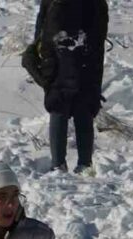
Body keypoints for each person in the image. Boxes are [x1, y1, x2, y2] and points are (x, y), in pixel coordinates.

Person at [34, 0, 109, 175]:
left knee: (61, 104)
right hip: (84, 55)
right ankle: (82, 164)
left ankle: (60, 164)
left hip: (59, 55)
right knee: (79, 106)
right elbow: (100, 30)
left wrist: (41, 53)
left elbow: (42, 26)